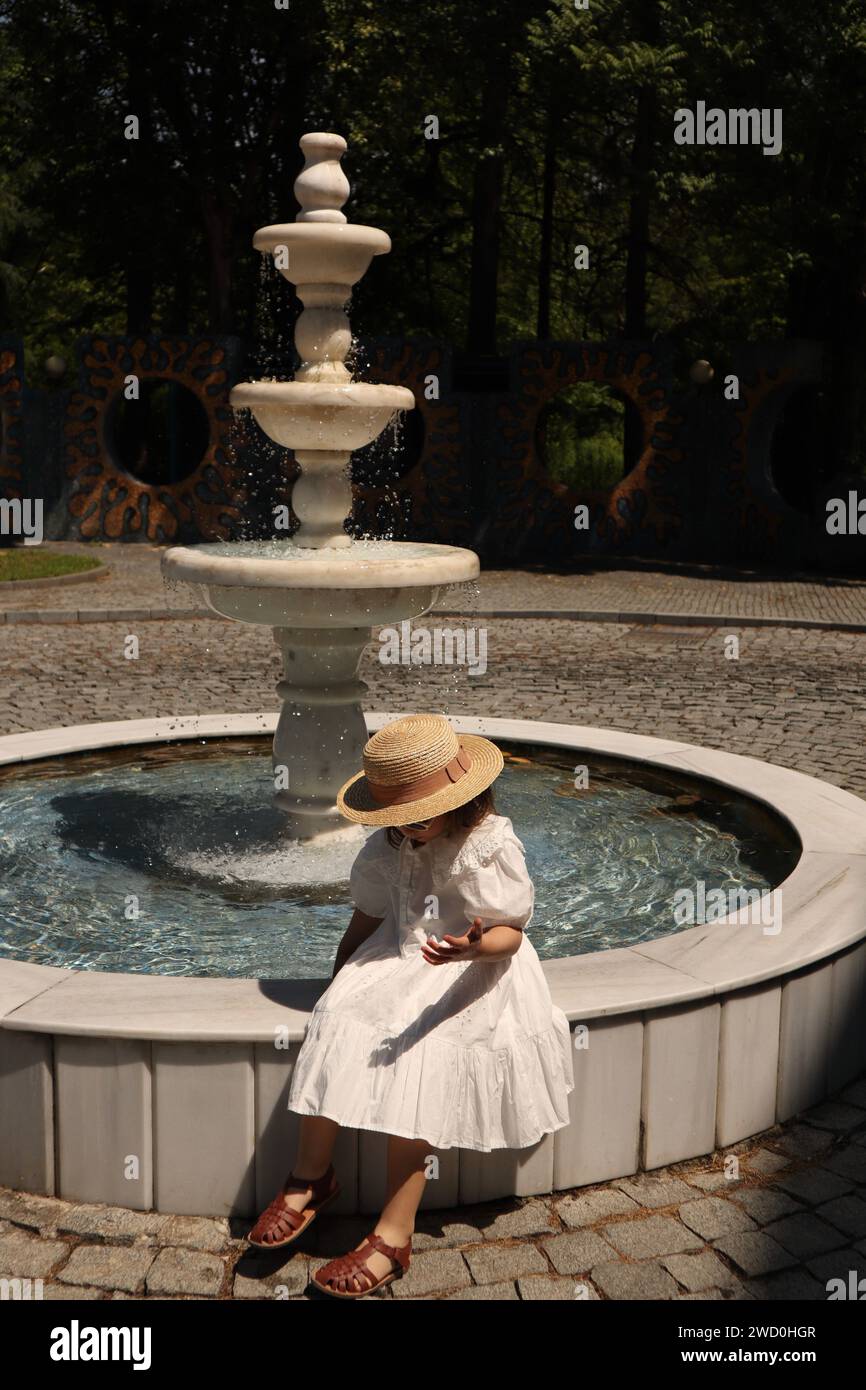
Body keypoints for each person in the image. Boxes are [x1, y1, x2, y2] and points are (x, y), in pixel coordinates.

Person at [247, 713, 575, 1298]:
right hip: (402, 954)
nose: (414, 826)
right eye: (402, 817)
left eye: (422, 814)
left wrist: (471, 948)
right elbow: (368, 917)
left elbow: (511, 934)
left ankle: (394, 1235)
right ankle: (310, 1178)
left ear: (461, 797)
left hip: (475, 965)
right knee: (338, 1020)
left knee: (422, 1050)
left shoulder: (487, 843)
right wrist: (337, 977)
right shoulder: (388, 845)